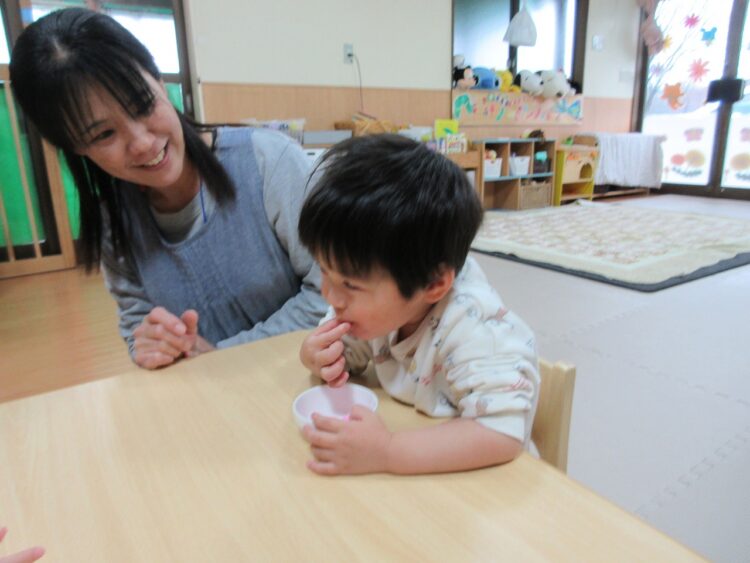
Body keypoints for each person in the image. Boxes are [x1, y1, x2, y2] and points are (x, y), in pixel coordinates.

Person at [9, 8, 327, 369]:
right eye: (104, 134)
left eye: (143, 104)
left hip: (307, 382)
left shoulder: (267, 160)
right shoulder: (115, 223)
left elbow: (332, 293)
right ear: (75, 147)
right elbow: (137, 326)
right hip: (206, 394)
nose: (143, 143)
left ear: (160, 83)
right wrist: (152, 345)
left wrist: (223, 355)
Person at [297, 134, 540, 476]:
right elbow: (348, 356)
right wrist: (320, 356)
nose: (330, 296)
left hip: (485, 481)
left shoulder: (476, 330)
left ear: (434, 284)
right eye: (324, 270)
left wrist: (387, 452)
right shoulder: (376, 308)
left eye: (349, 284)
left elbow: (501, 434)